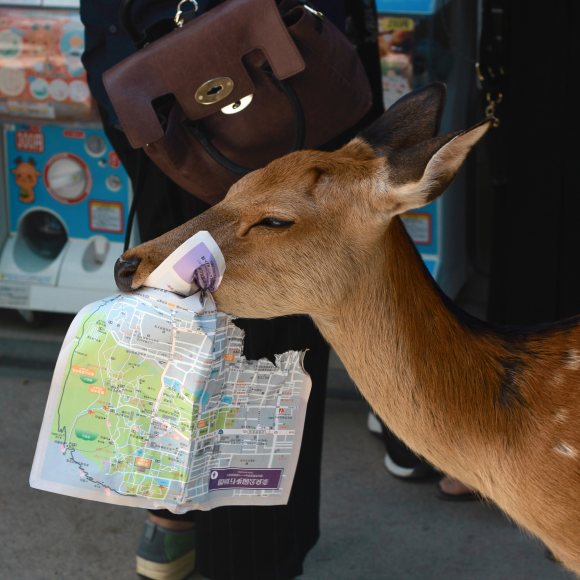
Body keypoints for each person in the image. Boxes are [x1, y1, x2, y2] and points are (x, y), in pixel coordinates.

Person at [78, 1, 349, 578]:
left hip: (155, 51)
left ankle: (186, 518)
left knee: (191, 286)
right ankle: (236, 539)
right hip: (242, 48)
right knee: (253, 296)